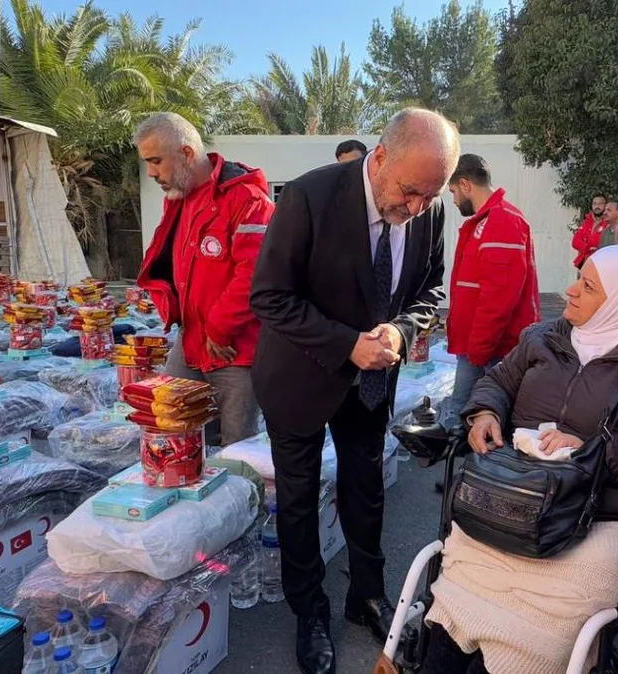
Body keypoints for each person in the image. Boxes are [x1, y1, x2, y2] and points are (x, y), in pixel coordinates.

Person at [421, 245, 618, 674]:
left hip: (606, 515)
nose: (570, 291)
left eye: (588, 287)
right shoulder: (543, 337)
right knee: (459, 598)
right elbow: (497, 381)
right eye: (579, 278)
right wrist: (485, 413)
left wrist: (593, 450)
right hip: (516, 498)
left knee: (546, 617)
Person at [250, 108, 459, 674]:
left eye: (428, 196)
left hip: (370, 382)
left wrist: (401, 327)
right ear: (381, 158)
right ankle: (309, 611)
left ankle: (365, 592)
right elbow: (269, 296)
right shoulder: (309, 197)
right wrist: (347, 343)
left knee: (366, 489)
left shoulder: (429, 206)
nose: (415, 208)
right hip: (298, 376)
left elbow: (431, 290)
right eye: (410, 192)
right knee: (297, 502)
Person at [135, 112, 274, 446]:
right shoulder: (179, 200)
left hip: (233, 348)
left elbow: (256, 272)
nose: (151, 173)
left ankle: (248, 498)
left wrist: (220, 327)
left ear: (185, 154)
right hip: (191, 340)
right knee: (173, 429)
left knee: (238, 447)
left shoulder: (248, 201)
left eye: (156, 161)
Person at [444, 153, 540, 423]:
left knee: (469, 419)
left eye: (452, 191)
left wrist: (478, 351)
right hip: (479, 347)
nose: (453, 200)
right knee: (465, 416)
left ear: (465, 185)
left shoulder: (502, 221)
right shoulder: (487, 221)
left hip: (490, 350)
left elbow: (498, 298)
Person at [570, 193, 608, 268]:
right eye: (594, 204)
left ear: (605, 206)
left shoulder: (608, 222)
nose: (597, 206)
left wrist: (587, 244)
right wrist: (588, 248)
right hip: (585, 263)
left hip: (601, 264)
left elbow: (599, 243)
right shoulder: (587, 221)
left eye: (600, 204)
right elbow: (575, 241)